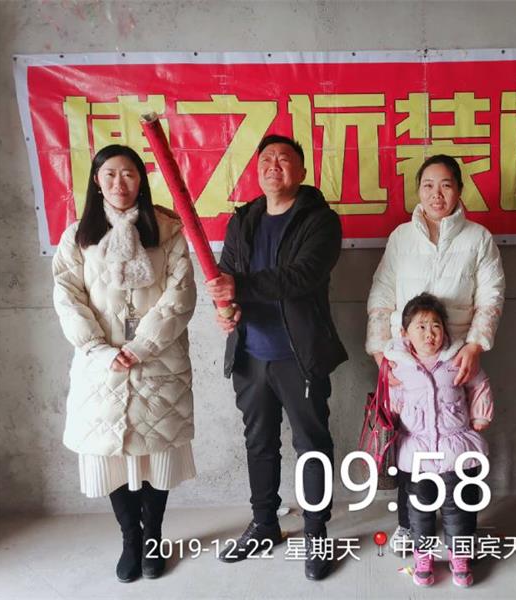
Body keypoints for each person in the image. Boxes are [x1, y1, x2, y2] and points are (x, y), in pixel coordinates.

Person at [52, 144, 197, 583]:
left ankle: (153, 538)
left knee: (156, 454)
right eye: (110, 174)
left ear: (141, 180)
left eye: (129, 173)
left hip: (159, 361)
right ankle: (130, 540)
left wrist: (143, 345)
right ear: (97, 181)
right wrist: (99, 348)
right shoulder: (78, 236)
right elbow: (67, 296)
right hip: (102, 365)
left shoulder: (168, 231)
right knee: (112, 457)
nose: (120, 183)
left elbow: (181, 295)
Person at [205, 134, 347, 581]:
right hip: (250, 354)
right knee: (259, 443)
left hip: (298, 355)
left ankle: (316, 532)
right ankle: (264, 523)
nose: (274, 165)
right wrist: (226, 308)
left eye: (284, 159)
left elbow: (302, 276)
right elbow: (227, 272)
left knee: (312, 445)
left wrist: (239, 288)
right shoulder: (243, 220)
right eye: (266, 158)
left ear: (301, 171)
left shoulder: (320, 220)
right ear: (257, 170)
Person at [366, 154, 505, 550]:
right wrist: (381, 353)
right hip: (406, 359)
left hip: (454, 358)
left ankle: (462, 531)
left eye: (445, 185)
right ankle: (409, 525)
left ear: (459, 190)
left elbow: (491, 296)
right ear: (418, 191)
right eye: (428, 185)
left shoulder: (477, 238)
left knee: (460, 444)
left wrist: (475, 345)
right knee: (410, 440)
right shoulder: (401, 238)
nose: (436, 193)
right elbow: (381, 294)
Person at [384, 293, 492, 588]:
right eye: (420, 327)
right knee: (420, 509)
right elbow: (393, 397)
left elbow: (479, 383)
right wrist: (395, 414)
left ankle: (460, 557)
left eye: (435, 326)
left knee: (459, 507)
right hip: (416, 452)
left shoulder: (457, 359)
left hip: (454, 448)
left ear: (445, 330)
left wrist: (480, 416)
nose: (429, 334)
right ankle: (424, 557)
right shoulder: (399, 366)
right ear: (405, 333)